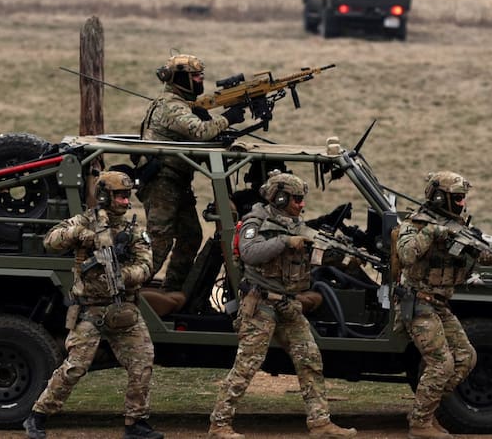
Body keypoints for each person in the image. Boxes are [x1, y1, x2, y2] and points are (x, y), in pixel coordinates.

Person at [208, 172, 357, 439]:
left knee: (310, 360)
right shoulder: (255, 221)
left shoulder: (294, 223)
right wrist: (284, 241)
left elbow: (305, 259)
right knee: (247, 364)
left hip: (288, 305)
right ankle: (219, 424)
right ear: (279, 197)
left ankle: (320, 422)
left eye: (302, 200)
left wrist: (338, 257)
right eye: (296, 199)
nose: (301, 205)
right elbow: (251, 252)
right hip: (260, 304)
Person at [23, 171, 163, 439]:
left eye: (127, 196)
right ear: (104, 195)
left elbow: (146, 267)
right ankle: (37, 416)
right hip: (90, 311)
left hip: (124, 310)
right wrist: (80, 235)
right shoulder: (85, 220)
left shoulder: (133, 230)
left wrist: (124, 276)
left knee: (142, 364)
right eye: (120, 196)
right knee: (74, 367)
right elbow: (50, 241)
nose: (125, 202)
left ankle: (136, 423)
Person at [395, 171, 492, 439]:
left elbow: (487, 258)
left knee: (466, 358)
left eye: (463, 198)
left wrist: (478, 248)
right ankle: (420, 424)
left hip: (439, 304)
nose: (463, 204)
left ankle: (423, 412)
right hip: (417, 302)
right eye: (458, 198)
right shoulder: (416, 224)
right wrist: (433, 232)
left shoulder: (459, 228)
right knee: (442, 364)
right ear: (440, 197)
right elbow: (406, 255)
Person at [138, 53, 246, 293]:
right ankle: (129, 293)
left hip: (178, 181)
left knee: (190, 236)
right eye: (195, 76)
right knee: (159, 241)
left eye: (201, 76)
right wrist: (228, 118)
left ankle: (173, 292)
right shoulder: (170, 105)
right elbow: (199, 132)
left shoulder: (185, 105)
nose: (200, 80)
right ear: (178, 79)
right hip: (162, 183)